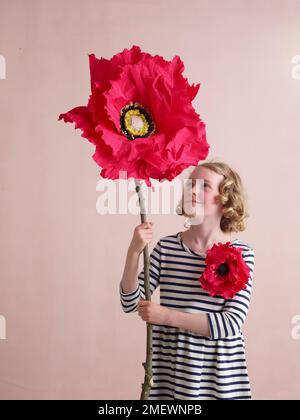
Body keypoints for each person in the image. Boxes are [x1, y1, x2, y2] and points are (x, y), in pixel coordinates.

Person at [119, 160, 255, 400]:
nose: (192, 190)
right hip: (172, 371)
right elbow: (131, 303)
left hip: (219, 377)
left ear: (226, 201)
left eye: (204, 186)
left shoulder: (241, 254)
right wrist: (133, 252)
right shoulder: (167, 248)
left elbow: (231, 323)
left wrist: (167, 316)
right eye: (190, 184)